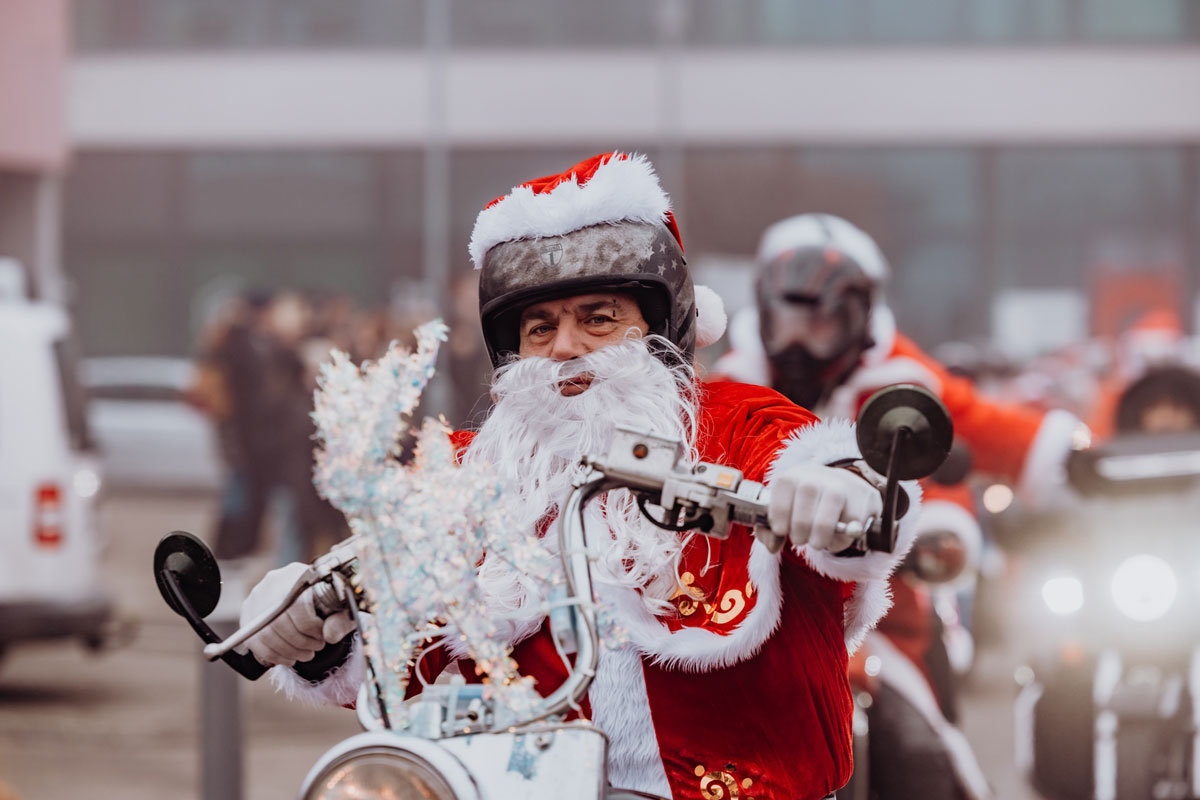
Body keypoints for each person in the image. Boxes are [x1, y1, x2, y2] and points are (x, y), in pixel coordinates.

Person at [239, 153, 924, 800]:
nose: (565, 347)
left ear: (661, 328)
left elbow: (833, 472)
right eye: (539, 328)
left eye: (598, 319)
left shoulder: (742, 423)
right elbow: (395, 648)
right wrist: (317, 627)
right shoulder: (473, 470)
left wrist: (839, 493)